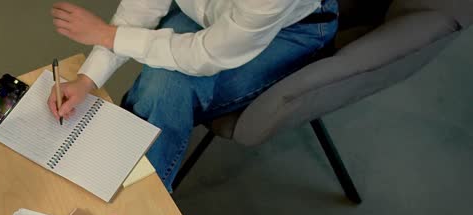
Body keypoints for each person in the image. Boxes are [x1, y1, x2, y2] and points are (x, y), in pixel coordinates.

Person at [47, 0, 339, 191]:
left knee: (169, 88)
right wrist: (87, 78)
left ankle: (137, 203)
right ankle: (118, 175)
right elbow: (143, 6)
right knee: (160, 86)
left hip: (289, 30)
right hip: (214, 17)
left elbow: (206, 54)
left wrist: (106, 34)